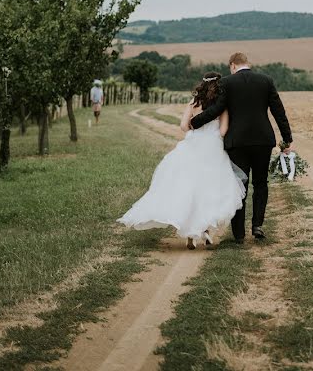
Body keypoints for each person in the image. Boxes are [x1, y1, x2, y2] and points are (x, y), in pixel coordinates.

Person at [118, 73, 246, 249]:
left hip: (193, 145)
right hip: (213, 148)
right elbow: (223, 131)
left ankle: (190, 237)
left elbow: (184, 126)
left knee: (190, 187)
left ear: (202, 84)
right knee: (209, 189)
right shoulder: (221, 106)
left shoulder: (193, 103)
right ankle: (206, 231)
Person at [189, 52, 293, 244]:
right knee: (261, 184)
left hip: (237, 143)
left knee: (239, 186)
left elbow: (217, 109)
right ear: (247, 63)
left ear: (233, 65)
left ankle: (238, 235)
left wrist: (195, 122)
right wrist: (287, 140)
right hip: (263, 140)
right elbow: (279, 111)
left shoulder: (227, 83)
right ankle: (257, 225)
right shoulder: (266, 81)